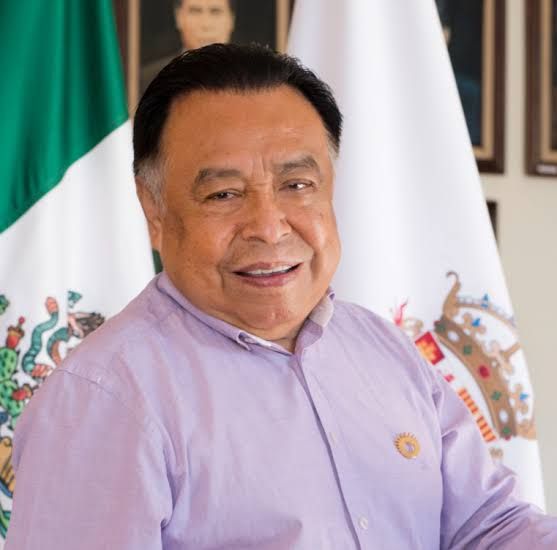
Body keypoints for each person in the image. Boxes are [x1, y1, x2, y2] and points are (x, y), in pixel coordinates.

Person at [5, 44, 557, 549]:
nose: (269, 228)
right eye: (224, 194)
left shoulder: (380, 347)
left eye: (297, 186)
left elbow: (486, 526)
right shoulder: (103, 402)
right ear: (154, 212)